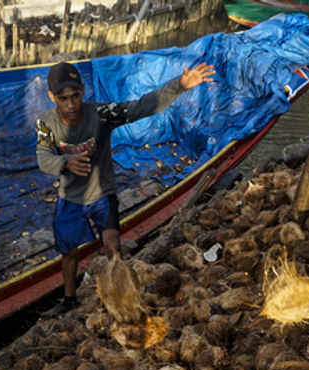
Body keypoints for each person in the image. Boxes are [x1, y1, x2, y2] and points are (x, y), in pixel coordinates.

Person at [35, 60, 216, 316]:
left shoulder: (100, 114)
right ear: (52, 96)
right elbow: (42, 157)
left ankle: (119, 296)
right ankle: (69, 298)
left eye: (75, 96)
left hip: (102, 193)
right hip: (70, 199)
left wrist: (180, 85)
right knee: (68, 252)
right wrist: (65, 162)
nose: (71, 104)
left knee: (113, 246)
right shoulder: (46, 123)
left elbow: (142, 107)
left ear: (83, 91)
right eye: (63, 98)